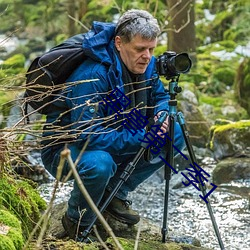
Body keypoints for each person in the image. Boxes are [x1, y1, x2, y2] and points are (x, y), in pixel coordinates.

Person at [41, 9, 185, 241]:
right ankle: (76, 221)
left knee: (174, 131)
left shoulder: (145, 64)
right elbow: (87, 136)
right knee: (100, 164)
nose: (147, 56)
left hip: (116, 134)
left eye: (152, 49)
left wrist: (161, 115)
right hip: (66, 149)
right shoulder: (92, 75)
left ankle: (115, 193)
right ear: (119, 43)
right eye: (140, 49)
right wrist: (144, 135)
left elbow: (159, 96)